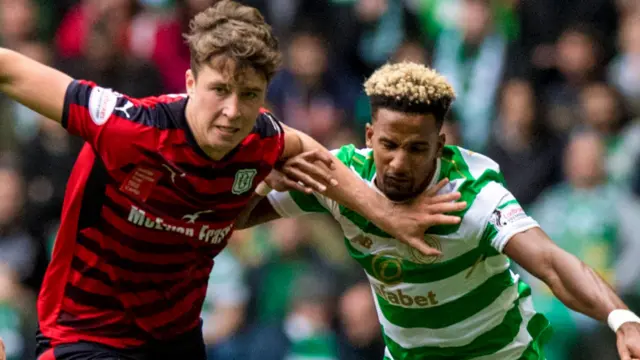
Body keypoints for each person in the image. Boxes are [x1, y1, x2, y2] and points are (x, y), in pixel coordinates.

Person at [0, 2, 465, 359]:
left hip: (175, 340)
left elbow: (312, 155)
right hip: (86, 331)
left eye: (250, 95)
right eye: (219, 90)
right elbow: (11, 68)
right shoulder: (129, 126)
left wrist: (388, 213)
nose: (233, 111)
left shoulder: (262, 139)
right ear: (189, 82)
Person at [240, 62, 640, 360]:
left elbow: (552, 264)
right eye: (389, 145)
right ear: (369, 136)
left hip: (496, 354)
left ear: (440, 144)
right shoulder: (340, 176)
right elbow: (239, 215)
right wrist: (261, 178)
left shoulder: (473, 194)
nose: (398, 162)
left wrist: (620, 317)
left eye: (417, 149)